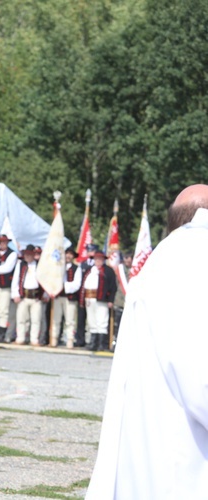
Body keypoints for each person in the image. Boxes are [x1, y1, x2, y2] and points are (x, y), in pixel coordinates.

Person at [87, 185, 208, 498]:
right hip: (186, 460)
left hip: (153, 446)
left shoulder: (166, 257)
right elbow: (201, 376)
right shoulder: (196, 257)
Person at [80, 250, 117, 352]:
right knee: (92, 321)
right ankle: (93, 342)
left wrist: (110, 300)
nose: (98, 261)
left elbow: (113, 287)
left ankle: (101, 343)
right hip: (89, 298)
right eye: (96, 259)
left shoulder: (108, 271)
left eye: (100, 259)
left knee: (102, 321)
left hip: (102, 299)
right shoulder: (89, 270)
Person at [48, 248, 81, 348]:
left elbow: (76, 284)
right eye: (67, 253)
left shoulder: (76, 268)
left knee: (69, 320)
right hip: (58, 297)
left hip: (69, 297)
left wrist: (63, 286)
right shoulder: (58, 267)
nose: (68, 256)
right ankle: (54, 338)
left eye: (70, 254)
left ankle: (69, 340)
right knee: (56, 319)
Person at [11, 244, 43, 345]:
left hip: (36, 297)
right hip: (23, 296)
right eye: (26, 255)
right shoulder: (21, 265)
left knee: (35, 319)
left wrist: (45, 295)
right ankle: (20, 338)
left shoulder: (39, 265)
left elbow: (44, 280)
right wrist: (15, 294)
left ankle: (34, 339)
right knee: (21, 318)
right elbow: (15, 280)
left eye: (29, 255)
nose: (27, 257)